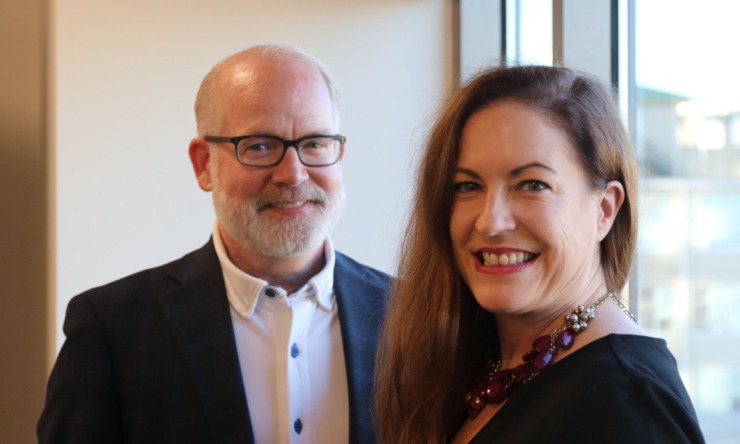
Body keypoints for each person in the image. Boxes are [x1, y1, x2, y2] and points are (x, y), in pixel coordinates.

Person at [38, 44, 390, 444]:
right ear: (204, 164)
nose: (293, 175)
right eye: (260, 146)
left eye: (314, 144)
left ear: (339, 154)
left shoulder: (412, 317)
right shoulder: (111, 328)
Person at [374, 65, 705, 443]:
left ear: (605, 210)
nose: (490, 222)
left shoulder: (623, 397)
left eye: (532, 184)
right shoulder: (490, 365)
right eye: (468, 186)